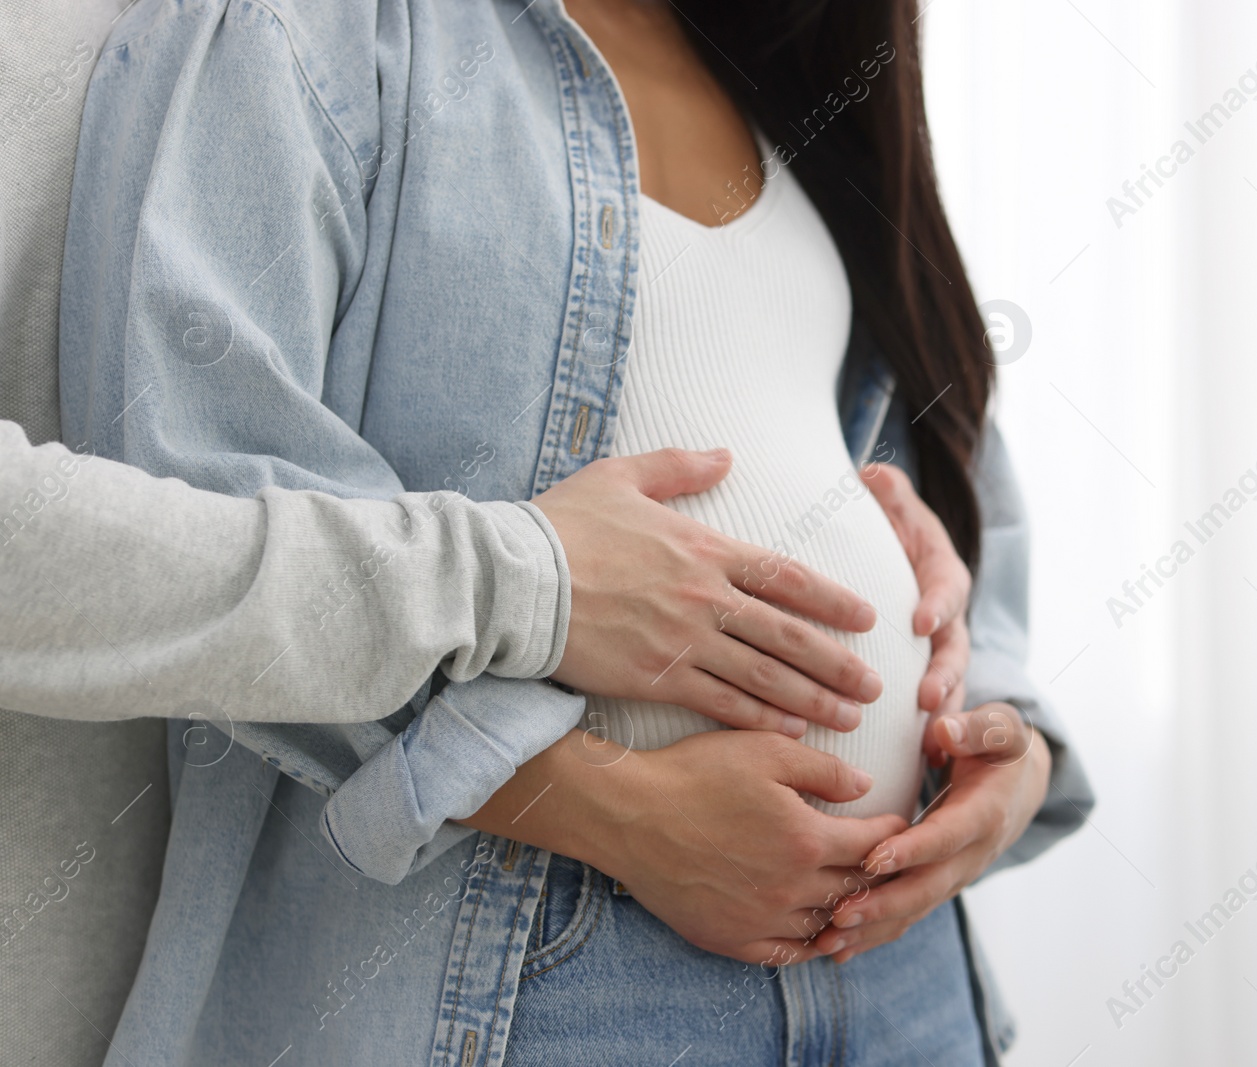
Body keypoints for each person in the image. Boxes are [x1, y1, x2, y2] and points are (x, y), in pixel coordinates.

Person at [59, 1, 1094, 1064]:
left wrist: (1001, 756)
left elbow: (948, 484)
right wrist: (616, 811)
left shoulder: (786, 61)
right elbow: (188, 524)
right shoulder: (309, 31)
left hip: (899, 970)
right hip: (543, 965)